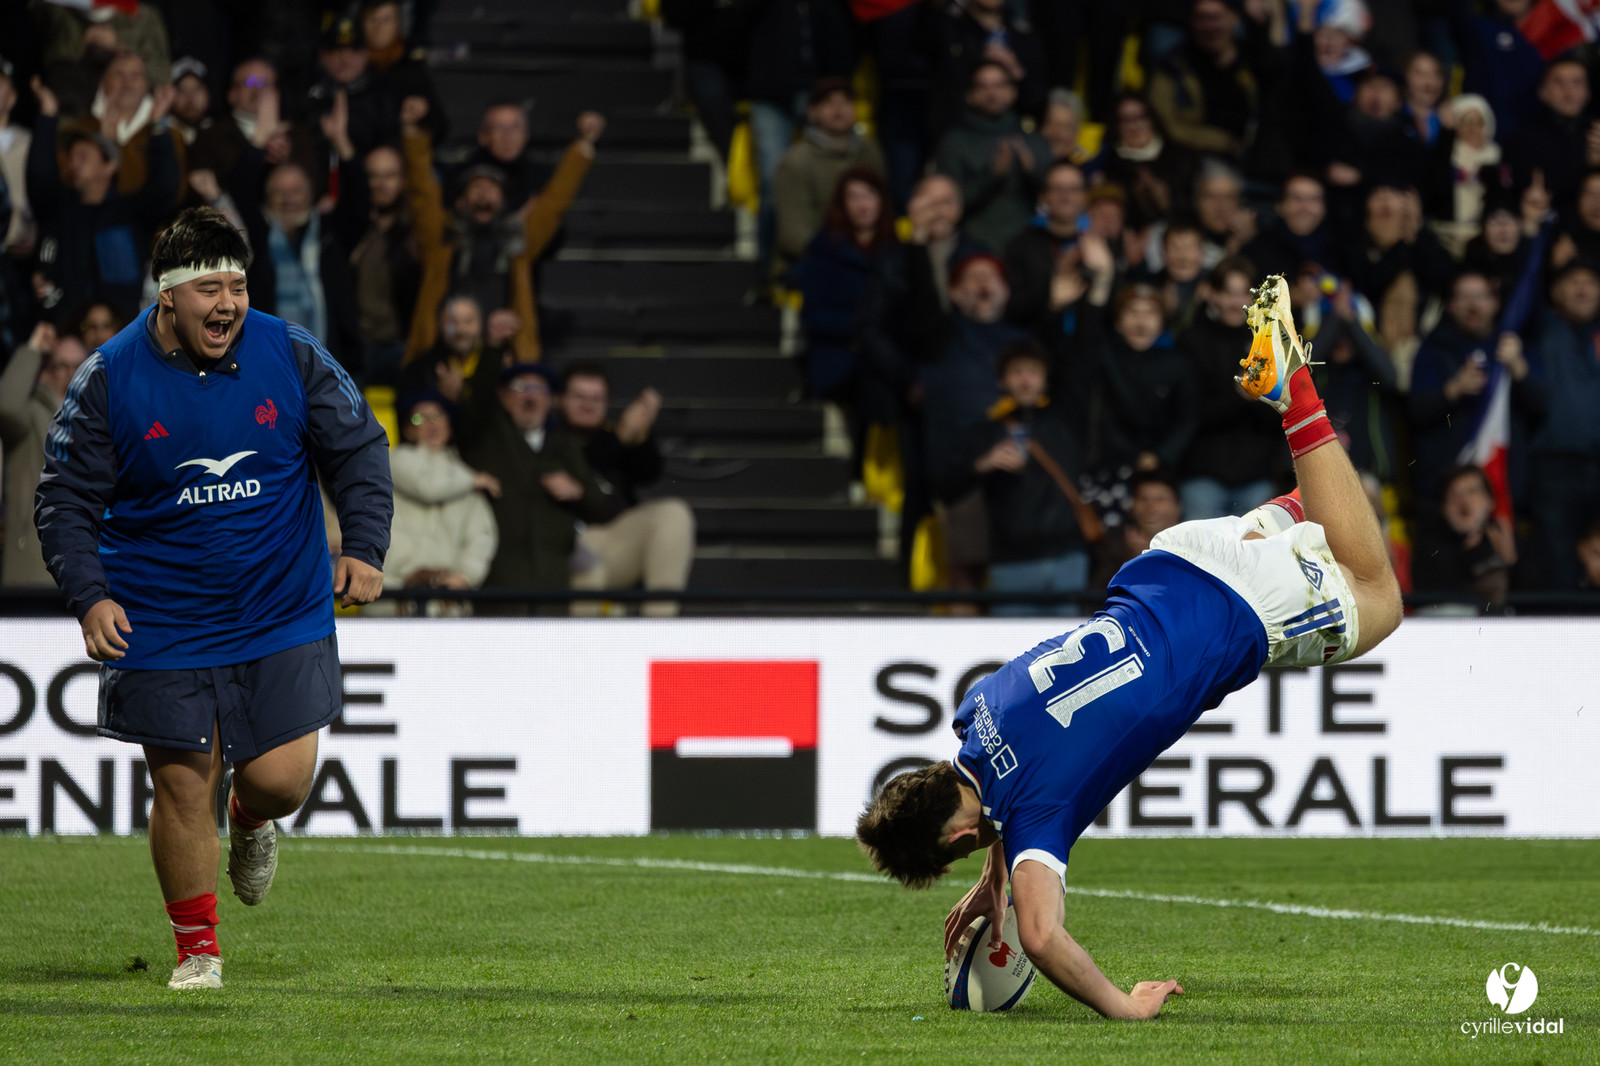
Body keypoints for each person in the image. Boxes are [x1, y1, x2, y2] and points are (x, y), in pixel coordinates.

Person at [855, 274, 1404, 1018]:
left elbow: (1044, 937)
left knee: (1378, 595)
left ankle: (1297, 391)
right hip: (1172, 561)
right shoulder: (973, 711)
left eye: (958, 849)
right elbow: (992, 789)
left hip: (1235, 614)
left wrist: (1125, 1005)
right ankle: (1300, 471)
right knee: (1324, 510)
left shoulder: (1038, 810)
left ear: (956, 832)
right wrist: (994, 877)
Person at [34, 207, 392, 990]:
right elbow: (63, 499)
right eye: (209, 289)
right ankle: (198, 950)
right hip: (160, 614)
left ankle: (252, 820)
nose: (227, 303)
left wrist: (364, 545)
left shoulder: (289, 351)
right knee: (182, 781)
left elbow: (358, 445)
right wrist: (90, 596)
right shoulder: (108, 377)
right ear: (167, 298)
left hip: (279, 604)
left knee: (281, 781)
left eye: (237, 285)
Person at [401, 97, 601, 365]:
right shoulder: (442, 238)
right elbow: (421, 191)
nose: (484, 194)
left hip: (505, 350)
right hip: (441, 352)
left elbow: (555, 201)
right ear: (460, 200)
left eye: (492, 189)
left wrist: (583, 146)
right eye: (476, 188)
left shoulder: (519, 240)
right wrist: (414, 133)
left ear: (505, 202)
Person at [955, 341, 1094, 615]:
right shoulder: (985, 432)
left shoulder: (1066, 423)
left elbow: (1083, 363)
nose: (1025, 379)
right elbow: (947, 487)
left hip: (1067, 558)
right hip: (1010, 563)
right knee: (1013, 655)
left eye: (1033, 371)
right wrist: (982, 464)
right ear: (1002, 380)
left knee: (1068, 656)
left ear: (1045, 380)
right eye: (1017, 372)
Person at [557, 364, 696, 617]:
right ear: (560, 399)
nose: (589, 404)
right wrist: (621, 436)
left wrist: (640, 434)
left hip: (615, 541)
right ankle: (581, 653)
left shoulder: (611, 435)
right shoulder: (546, 434)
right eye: (580, 397)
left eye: (597, 398)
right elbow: (583, 464)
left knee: (674, 513)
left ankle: (660, 630)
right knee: (586, 565)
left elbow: (648, 472)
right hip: (566, 543)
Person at [378, 391, 498, 614]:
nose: (430, 424)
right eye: (418, 418)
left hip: (446, 598)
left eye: (437, 417)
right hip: (392, 593)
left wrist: (465, 576)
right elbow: (427, 486)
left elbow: (482, 535)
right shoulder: (393, 462)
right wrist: (474, 480)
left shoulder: (464, 474)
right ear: (406, 429)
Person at [770, 78, 887, 285]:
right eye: (828, 102)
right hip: (812, 257)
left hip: (866, 252)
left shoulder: (870, 151)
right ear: (812, 112)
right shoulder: (796, 162)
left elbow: (885, 209)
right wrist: (846, 254)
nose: (838, 108)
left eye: (845, 101)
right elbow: (793, 236)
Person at [933, 61, 1051, 254]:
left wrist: (1033, 172)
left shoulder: (1033, 141)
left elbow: (1057, 198)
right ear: (969, 95)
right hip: (973, 245)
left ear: (1013, 91)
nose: (992, 93)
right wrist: (991, 176)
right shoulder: (954, 142)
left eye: (999, 85)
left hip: (1028, 244)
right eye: (983, 86)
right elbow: (946, 203)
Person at [1, 323, 87, 586]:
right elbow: (5, 408)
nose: (70, 374)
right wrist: (33, 349)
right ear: (46, 371)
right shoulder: (31, 412)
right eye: (61, 365)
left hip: (88, 564)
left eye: (78, 367)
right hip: (32, 563)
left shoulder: (102, 417)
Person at [1412, 464, 1517, 611]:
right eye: (1455, 494)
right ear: (1442, 508)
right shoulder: (1430, 547)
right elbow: (1431, 594)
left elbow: (1537, 598)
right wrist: (1469, 555)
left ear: (1490, 501)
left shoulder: (1509, 539)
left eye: (1472, 492)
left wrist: (1510, 562)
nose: (1464, 502)